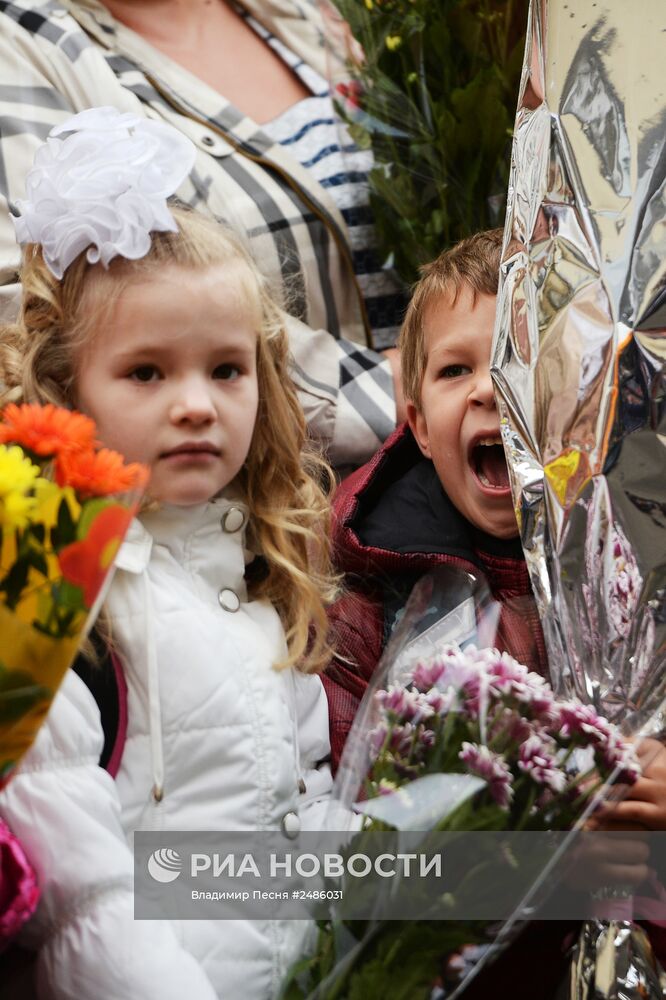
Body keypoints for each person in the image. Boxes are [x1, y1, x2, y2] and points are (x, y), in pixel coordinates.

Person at [0, 108, 338, 999]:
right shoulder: (50, 594)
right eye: (147, 372)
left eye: (226, 369)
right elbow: (81, 901)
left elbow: (303, 820)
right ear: (68, 386)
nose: (196, 404)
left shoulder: (264, 577)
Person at [322, 229, 666, 998]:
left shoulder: (647, 566)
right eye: (456, 369)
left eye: (524, 361)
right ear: (416, 422)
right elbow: (344, 844)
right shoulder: (369, 601)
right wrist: (529, 863)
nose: (490, 388)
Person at [0, 0, 407, 470]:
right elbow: (32, 306)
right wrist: (390, 390)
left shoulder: (309, 12)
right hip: (259, 494)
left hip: (455, 457)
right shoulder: (20, 41)